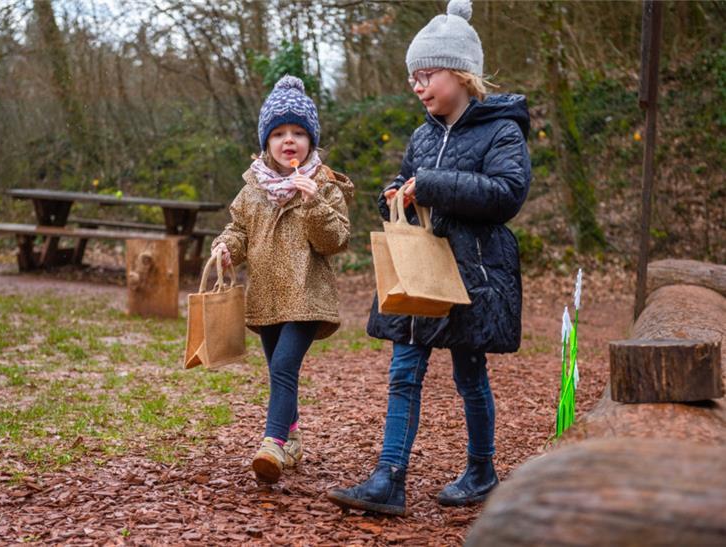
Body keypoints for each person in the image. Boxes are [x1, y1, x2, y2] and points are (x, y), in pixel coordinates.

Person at [327, 0, 531, 515]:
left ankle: (482, 470)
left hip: (473, 274)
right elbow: (404, 182)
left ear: (462, 74)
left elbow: (507, 193)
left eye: (427, 75)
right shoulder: (421, 134)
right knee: (404, 370)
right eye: (413, 78)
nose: (418, 87)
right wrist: (395, 195)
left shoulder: (501, 130)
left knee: (469, 374)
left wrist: (434, 185)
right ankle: (388, 478)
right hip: (418, 270)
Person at [212, 75, 354, 484]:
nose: (288, 140)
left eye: (298, 132)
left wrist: (313, 204)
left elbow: (335, 241)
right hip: (267, 295)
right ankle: (292, 437)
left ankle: (272, 442)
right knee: (277, 368)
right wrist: (225, 248)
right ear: (265, 142)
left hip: (307, 294)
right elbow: (239, 230)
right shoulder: (253, 188)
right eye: (278, 133)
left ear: (311, 140)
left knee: (287, 365)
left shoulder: (324, 184)